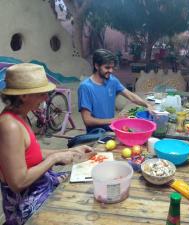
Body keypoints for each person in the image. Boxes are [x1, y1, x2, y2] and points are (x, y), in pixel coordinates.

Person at [0, 63, 95, 225]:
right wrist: (54, 158)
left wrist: (73, 151)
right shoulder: (10, 126)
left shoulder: (21, 116)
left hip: (39, 183)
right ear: (23, 96)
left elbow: (32, 153)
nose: (46, 98)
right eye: (42, 94)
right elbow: (18, 182)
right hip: (25, 200)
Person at [78, 49, 153, 133]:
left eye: (112, 67)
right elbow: (87, 120)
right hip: (96, 133)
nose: (111, 71)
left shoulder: (112, 81)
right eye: (107, 67)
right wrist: (114, 120)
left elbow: (131, 96)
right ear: (96, 66)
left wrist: (147, 105)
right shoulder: (85, 87)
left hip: (111, 128)